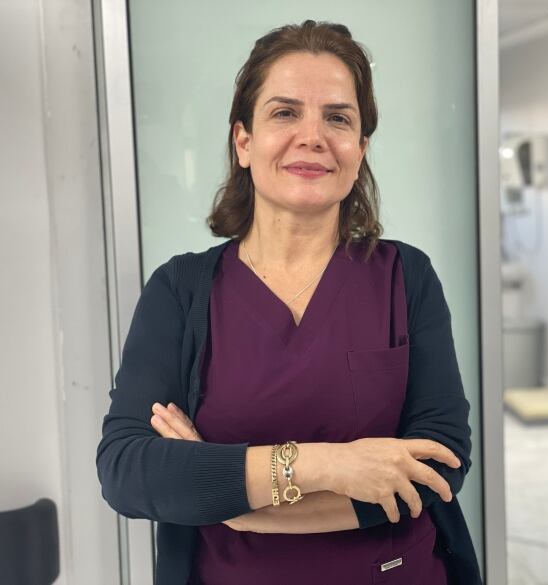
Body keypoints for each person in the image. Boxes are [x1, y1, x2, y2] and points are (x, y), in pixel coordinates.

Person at [96, 20, 481, 585]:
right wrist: (329, 464)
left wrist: (237, 502)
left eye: (338, 118)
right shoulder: (180, 291)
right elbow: (128, 471)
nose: (313, 136)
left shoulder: (405, 276)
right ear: (244, 141)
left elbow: (438, 467)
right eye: (284, 112)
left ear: (360, 149)